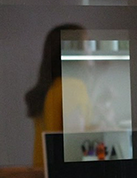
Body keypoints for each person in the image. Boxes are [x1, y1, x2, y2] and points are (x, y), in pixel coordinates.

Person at [25, 24, 90, 167]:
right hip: (65, 177)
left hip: (42, 175)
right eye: (87, 45)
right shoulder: (73, 87)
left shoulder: (50, 89)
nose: (90, 51)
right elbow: (76, 144)